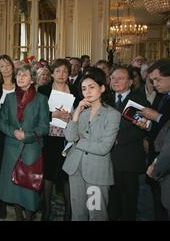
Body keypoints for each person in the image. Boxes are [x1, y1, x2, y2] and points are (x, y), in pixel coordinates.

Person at [62, 68, 121, 221]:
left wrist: (78, 140)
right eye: (83, 88)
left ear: (102, 88)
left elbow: (103, 148)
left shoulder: (112, 114)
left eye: (92, 87)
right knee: (78, 213)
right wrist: (75, 115)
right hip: (75, 168)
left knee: (97, 214)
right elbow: (69, 136)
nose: (87, 92)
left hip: (96, 172)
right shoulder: (81, 110)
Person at [0, 64, 49, 221]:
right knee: (13, 188)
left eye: (24, 75)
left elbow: (44, 127)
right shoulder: (10, 98)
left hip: (31, 149)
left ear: (32, 80)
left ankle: (30, 216)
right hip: (11, 148)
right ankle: (19, 216)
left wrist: (27, 135)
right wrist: (13, 132)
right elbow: (1, 122)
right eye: (18, 75)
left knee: (28, 188)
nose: (20, 78)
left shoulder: (41, 99)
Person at [38, 59, 80, 221]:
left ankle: (69, 212)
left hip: (68, 138)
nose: (61, 75)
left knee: (67, 175)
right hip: (49, 138)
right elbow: (38, 114)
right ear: (52, 73)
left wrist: (73, 116)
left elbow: (82, 112)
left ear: (68, 73)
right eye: (58, 71)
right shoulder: (43, 90)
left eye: (65, 71)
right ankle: (47, 210)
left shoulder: (76, 90)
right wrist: (53, 115)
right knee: (48, 174)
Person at [108, 66, 149, 221]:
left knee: (128, 200)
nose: (115, 81)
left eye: (121, 78)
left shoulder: (139, 101)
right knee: (112, 198)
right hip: (109, 157)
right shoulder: (106, 99)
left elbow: (141, 129)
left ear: (131, 82)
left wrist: (116, 139)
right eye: (113, 78)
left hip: (129, 158)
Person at [137, 59, 170, 220]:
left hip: (165, 158)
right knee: (158, 199)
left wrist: (157, 116)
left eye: (158, 80)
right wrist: (148, 125)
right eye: (152, 80)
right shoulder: (161, 95)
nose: (154, 84)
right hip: (155, 150)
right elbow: (158, 126)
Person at [0, 54, 16, 219]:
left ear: (12, 67)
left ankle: (11, 198)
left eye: (7, 65)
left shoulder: (20, 85)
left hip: (15, 132)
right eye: (2, 66)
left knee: (13, 167)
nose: (5, 69)